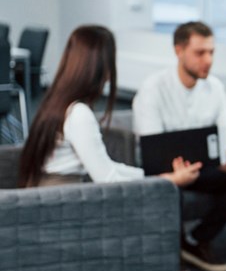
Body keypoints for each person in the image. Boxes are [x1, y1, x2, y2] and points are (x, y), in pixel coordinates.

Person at [133, 21, 226, 271]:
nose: (208, 60)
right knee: (170, 187)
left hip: (205, 168)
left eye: (211, 52)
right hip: (168, 172)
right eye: (200, 53)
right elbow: (152, 148)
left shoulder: (216, 87)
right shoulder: (153, 89)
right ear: (179, 50)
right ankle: (172, 250)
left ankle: (197, 241)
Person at [18, 25, 200, 189]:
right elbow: (107, 180)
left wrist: (157, 176)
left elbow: (106, 166)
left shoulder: (57, 103)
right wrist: (168, 182)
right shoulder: (79, 115)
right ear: (101, 67)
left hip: (53, 195)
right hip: (63, 203)